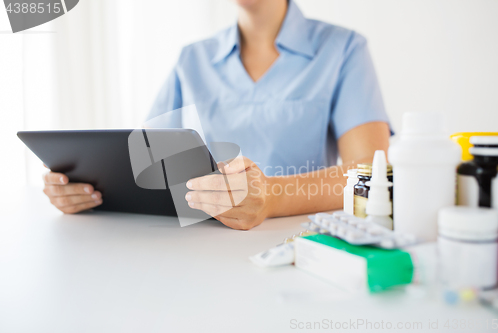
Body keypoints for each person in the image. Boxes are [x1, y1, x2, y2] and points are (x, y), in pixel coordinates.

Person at [43, 0, 391, 230]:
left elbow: (371, 175)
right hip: (201, 247)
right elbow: (139, 163)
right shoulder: (191, 59)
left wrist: (270, 197)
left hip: (297, 244)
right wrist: (87, 189)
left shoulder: (344, 49)